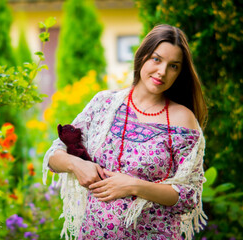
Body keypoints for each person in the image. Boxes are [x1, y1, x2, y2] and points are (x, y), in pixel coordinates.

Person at [43, 24, 208, 240]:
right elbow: (54, 155)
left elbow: (189, 195)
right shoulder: (104, 103)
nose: (162, 71)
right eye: (156, 59)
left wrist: (133, 185)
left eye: (173, 66)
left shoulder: (182, 119)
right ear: (142, 56)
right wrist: (78, 164)